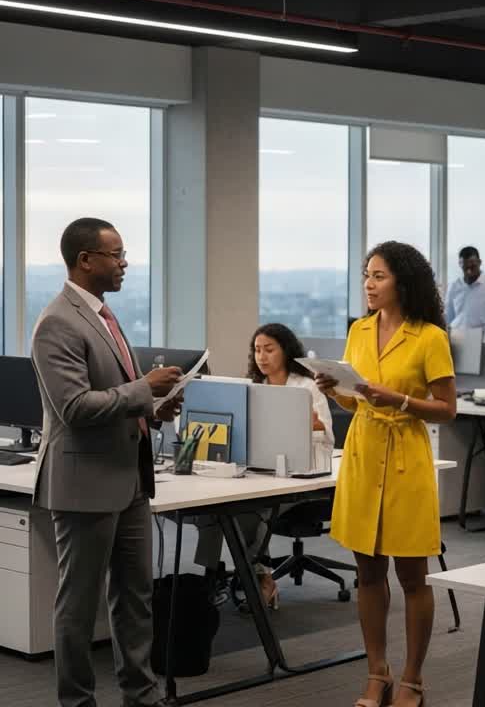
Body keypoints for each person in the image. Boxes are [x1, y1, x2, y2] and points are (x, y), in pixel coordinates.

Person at [30, 217, 184, 707]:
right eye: (116, 255)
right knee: (78, 606)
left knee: (136, 598)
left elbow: (114, 396)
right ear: (85, 260)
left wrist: (154, 408)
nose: (124, 264)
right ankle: (77, 701)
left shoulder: (106, 317)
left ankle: (142, 695)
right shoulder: (58, 321)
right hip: (85, 481)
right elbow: (73, 408)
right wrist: (144, 389)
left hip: (130, 481)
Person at [315, 241, 457, 707]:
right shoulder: (359, 330)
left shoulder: (429, 337)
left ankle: (413, 678)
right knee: (368, 572)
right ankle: (378, 672)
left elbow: (446, 410)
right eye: (366, 276)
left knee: (412, 576)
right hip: (362, 449)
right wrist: (334, 389)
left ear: (403, 282)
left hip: (405, 457)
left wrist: (395, 399)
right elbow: (357, 398)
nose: (369, 285)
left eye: (379, 277)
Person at [191, 323, 335, 608]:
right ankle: (209, 577)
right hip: (260, 472)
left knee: (249, 512)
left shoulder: (306, 387)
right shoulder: (254, 388)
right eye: (257, 350)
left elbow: (328, 438)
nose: (262, 356)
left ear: (286, 351)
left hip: (301, 479)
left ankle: (260, 576)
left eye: (269, 349)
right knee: (212, 511)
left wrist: (311, 424)